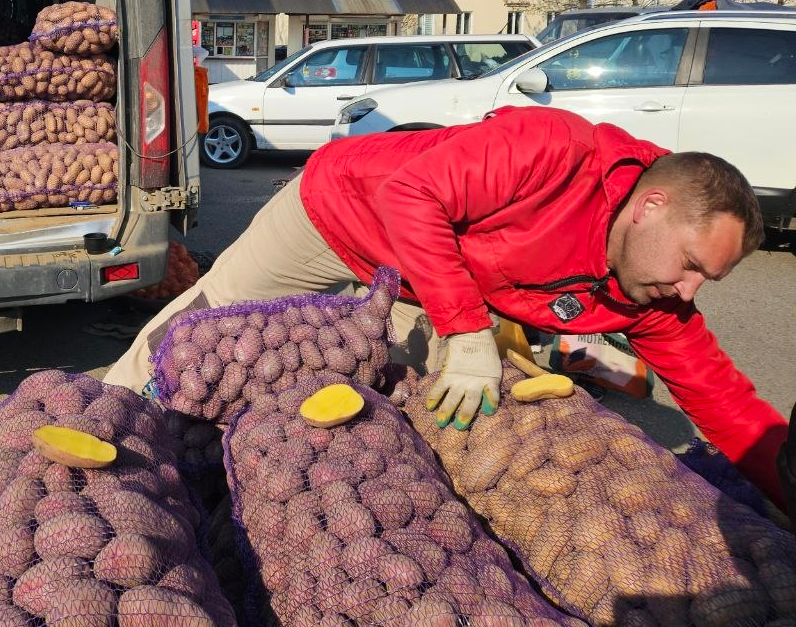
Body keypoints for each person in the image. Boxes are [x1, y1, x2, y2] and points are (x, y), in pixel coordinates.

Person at [105, 105, 789, 508]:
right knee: (204, 330)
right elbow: (411, 196)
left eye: (709, 281)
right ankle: (104, 418)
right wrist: (466, 332)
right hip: (339, 214)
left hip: (422, 281)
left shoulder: (651, 294)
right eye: (693, 265)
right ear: (651, 206)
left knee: (391, 400)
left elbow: (723, 403)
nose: (690, 291)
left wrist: (788, 483)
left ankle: (259, 489)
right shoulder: (555, 148)